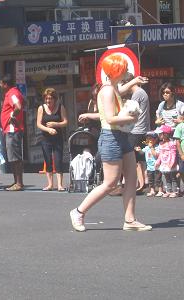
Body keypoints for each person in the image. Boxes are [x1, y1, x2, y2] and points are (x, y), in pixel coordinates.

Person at [69, 53, 152, 232]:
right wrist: (130, 117)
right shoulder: (107, 90)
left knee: (131, 178)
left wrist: (133, 81)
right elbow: (109, 118)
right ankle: (78, 211)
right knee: (110, 183)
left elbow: (119, 92)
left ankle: (130, 220)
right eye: (124, 69)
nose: (126, 72)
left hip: (120, 137)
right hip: (111, 138)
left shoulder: (111, 87)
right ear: (116, 71)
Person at [36, 87, 68, 191]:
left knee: (58, 160)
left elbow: (65, 122)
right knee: (48, 160)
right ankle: (50, 184)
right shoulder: (41, 108)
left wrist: (56, 124)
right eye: (46, 98)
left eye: (50, 98)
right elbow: (38, 124)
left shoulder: (60, 107)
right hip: (45, 138)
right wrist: (48, 130)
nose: (48, 101)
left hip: (58, 138)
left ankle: (60, 185)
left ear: (55, 99)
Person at [123, 73, 150, 192]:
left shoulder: (137, 94)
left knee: (133, 157)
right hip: (142, 129)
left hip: (136, 129)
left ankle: (140, 183)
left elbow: (130, 111)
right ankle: (145, 181)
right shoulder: (141, 92)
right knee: (141, 156)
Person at [0, 74, 25, 191]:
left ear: (5, 84)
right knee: (13, 157)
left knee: (15, 157)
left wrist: (12, 115)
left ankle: (19, 183)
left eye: (1, 83)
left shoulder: (12, 93)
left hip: (12, 129)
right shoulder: (12, 93)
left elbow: (18, 106)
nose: (0, 85)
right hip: (10, 129)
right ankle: (16, 182)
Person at [135, 131, 162, 197]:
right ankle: (152, 191)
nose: (148, 140)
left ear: (155, 139)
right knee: (151, 180)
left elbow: (156, 155)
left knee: (158, 179)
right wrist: (139, 150)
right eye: (147, 138)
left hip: (157, 167)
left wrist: (151, 147)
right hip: (149, 167)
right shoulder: (147, 148)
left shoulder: (157, 147)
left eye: (150, 138)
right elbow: (142, 153)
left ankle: (160, 191)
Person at [155, 125, 178, 198]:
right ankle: (168, 191)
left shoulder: (171, 143)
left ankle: (175, 191)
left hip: (170, 163)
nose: (159, 135)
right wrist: (158, 162)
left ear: (166, 134)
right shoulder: (161, 143)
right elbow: (161, 154)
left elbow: (173, 154)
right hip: (164, 164)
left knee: (173, 178)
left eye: (160, 134)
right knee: (166, 178)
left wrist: (172, 163)